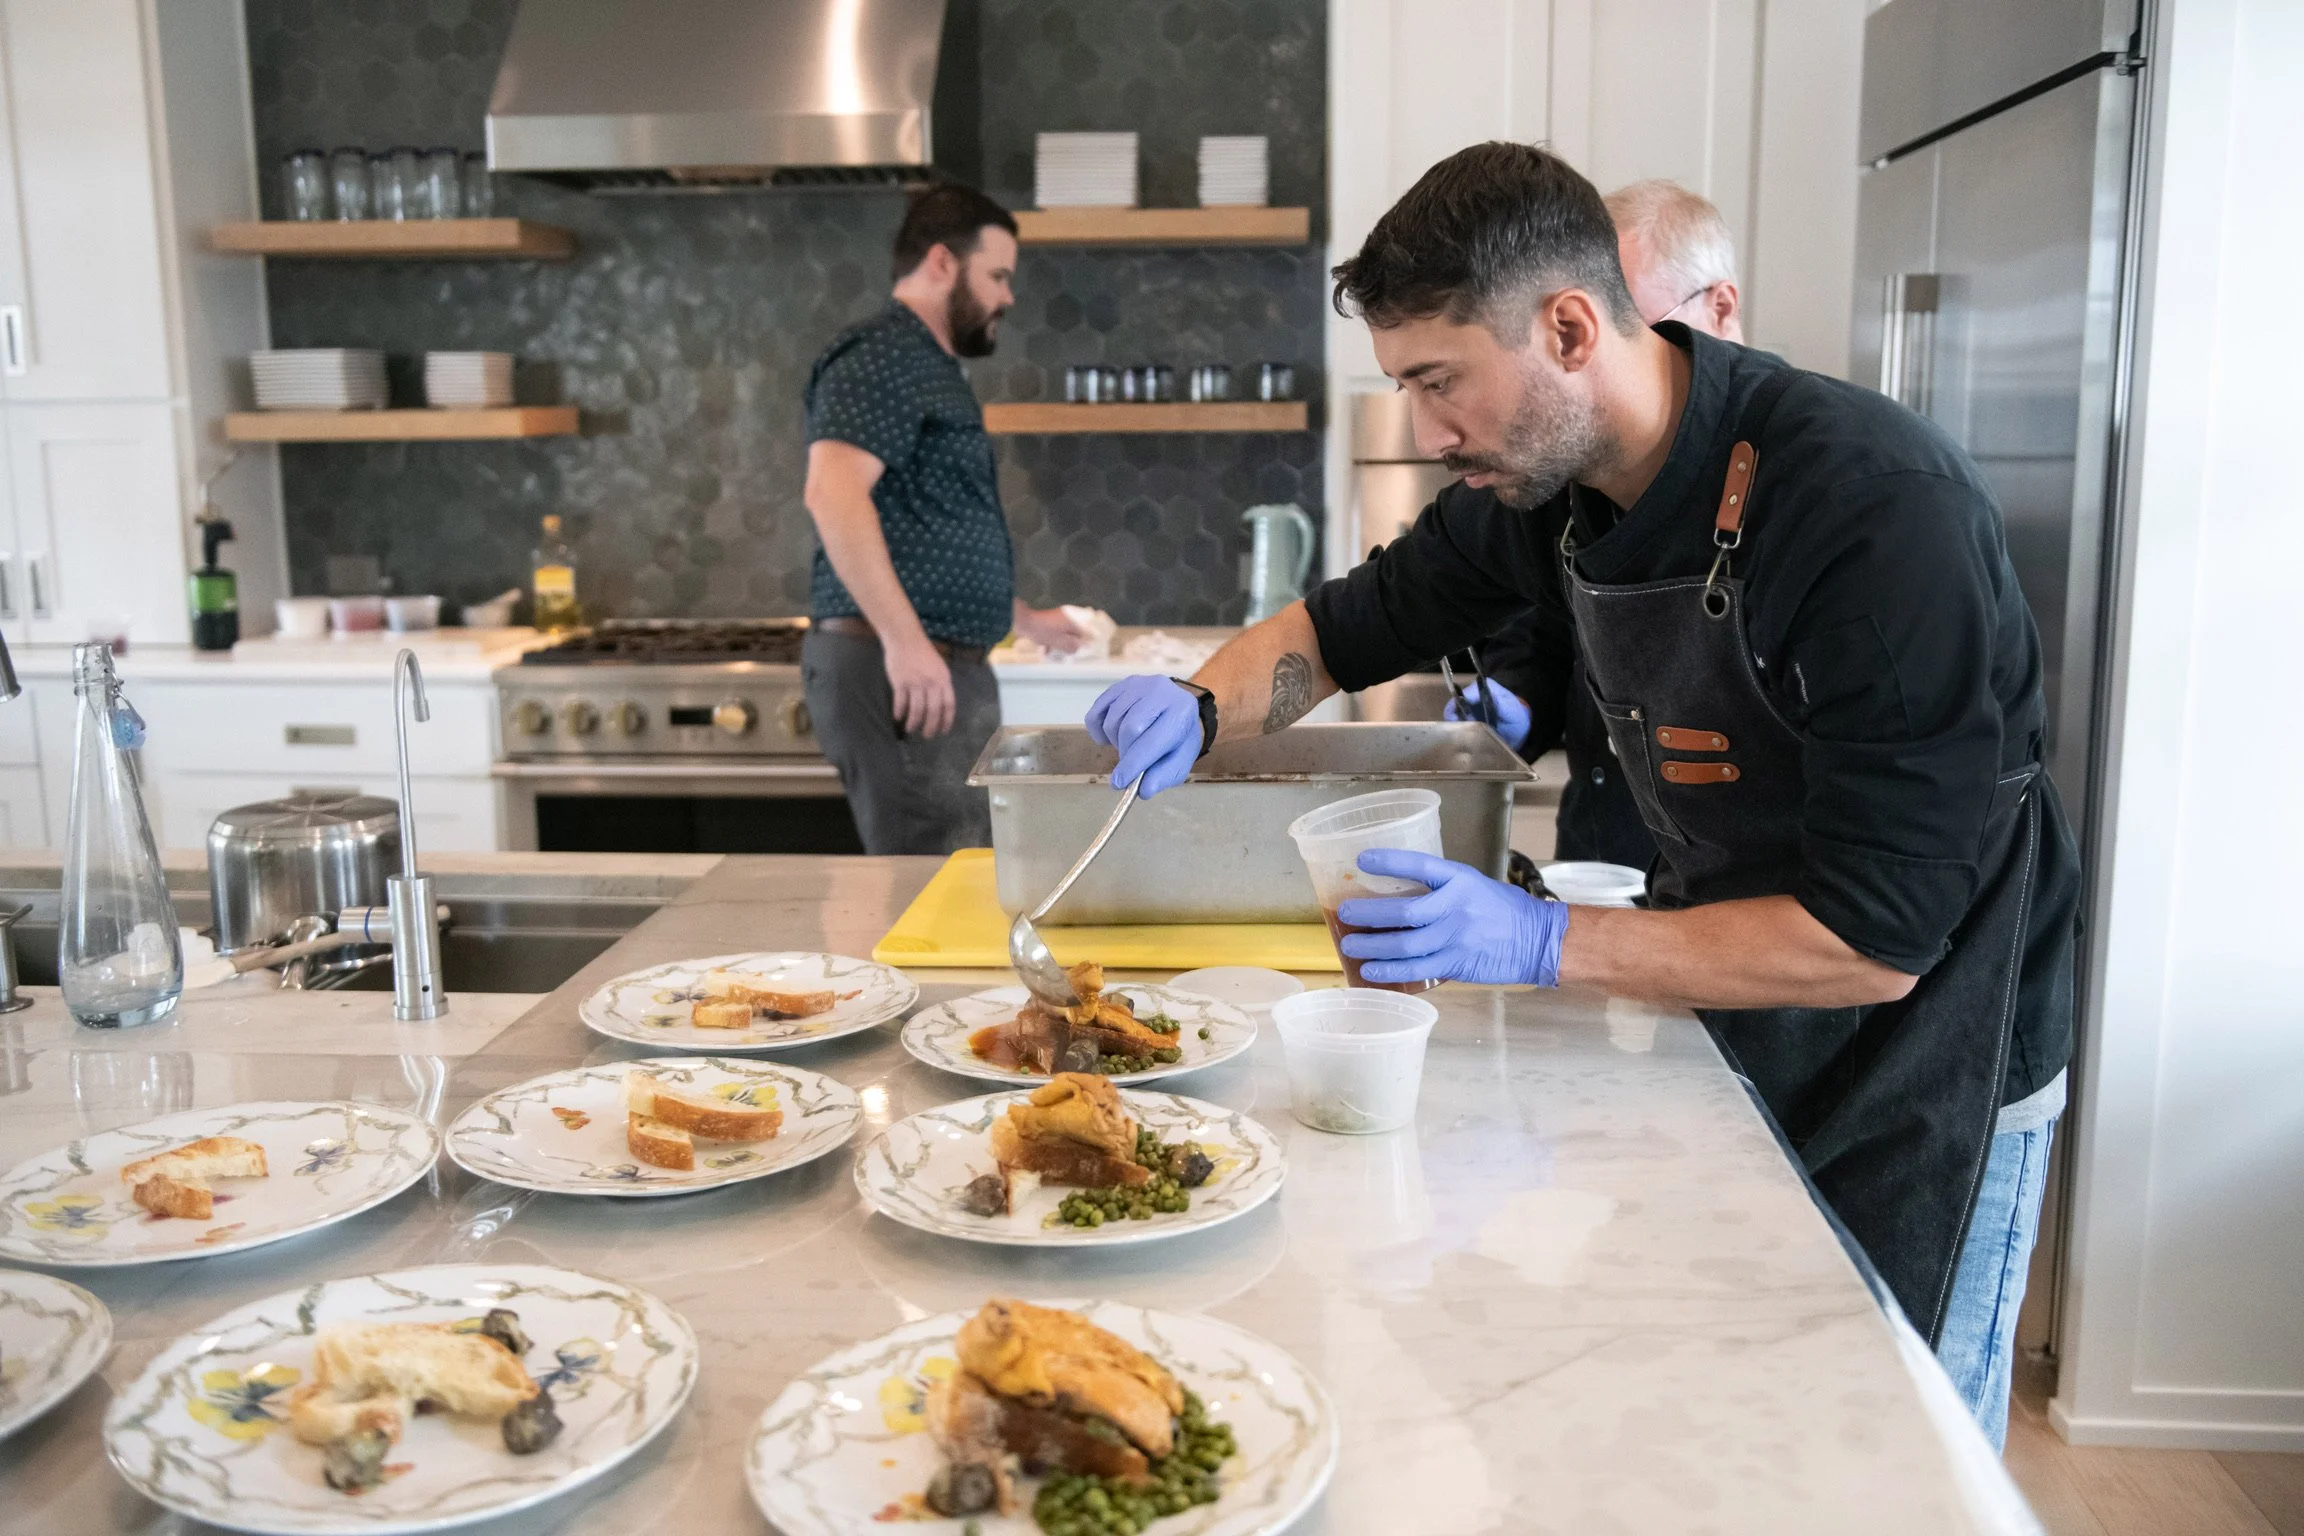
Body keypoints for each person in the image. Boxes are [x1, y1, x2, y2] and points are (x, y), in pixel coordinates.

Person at [1084, 143, 2078, 1450]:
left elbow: (1876, 940)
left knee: (1904, 1453)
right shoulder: (1541, 488)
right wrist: (1202, 704)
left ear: (1566, 329)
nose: (1429, 433)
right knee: (1746, 1430)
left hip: (1935, 1045)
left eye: (1439, 382)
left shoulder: (1873, 511)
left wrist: (1540, 940)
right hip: (1735, 1006)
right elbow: (1338, 630)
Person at [1450, 179, 1744, 871]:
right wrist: (1518, 695)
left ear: (1720, 307)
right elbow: (1551, 628)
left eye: (1631, 326)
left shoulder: (1802, 479)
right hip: (1596, 855)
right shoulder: (1579, 466)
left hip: (1737, 898)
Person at [801, 184, 1085, 855]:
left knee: (961, 869)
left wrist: (1019, 617)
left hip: (931, 661)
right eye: (997, 276)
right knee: (931, 878)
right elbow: (832, 494)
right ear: (940, 263)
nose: (1007, 297)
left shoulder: (925, 365)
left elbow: (925, 524)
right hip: (899, 664)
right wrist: (904, 642)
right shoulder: (882, 354)